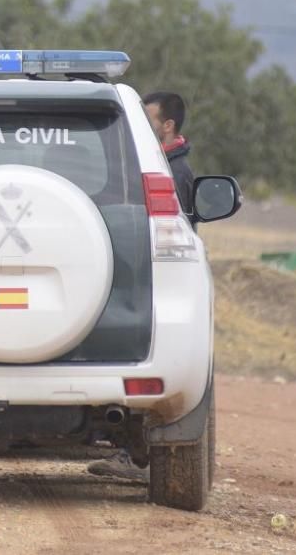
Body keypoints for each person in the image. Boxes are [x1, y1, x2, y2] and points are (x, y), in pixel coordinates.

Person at [88, 90, 196, 485]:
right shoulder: (164, 170)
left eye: (149, 120)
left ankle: (133, 457)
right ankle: (131, 454)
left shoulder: (173, 174)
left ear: (167, 126)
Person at [144, 91, 195, 217]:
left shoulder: (176, 172)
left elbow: (171, 224)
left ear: (168, 126)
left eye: (147, 119)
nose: (140, 124)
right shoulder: (154, 162)